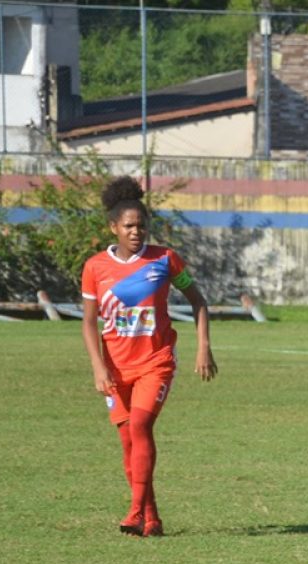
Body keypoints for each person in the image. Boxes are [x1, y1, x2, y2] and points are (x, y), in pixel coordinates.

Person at [81, 176, 217, 537]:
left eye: (141, 225)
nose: (136, 232)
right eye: (129, 226)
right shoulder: (95, 267)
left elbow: (198, 301)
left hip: (156, 362)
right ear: (113, 227)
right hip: (115, 369)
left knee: (141, 426)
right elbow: (89, 323)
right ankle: (152, 518)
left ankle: (134, 512)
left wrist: (203, 346)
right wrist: (98, 367)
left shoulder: (166, 260)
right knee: (129, 441)